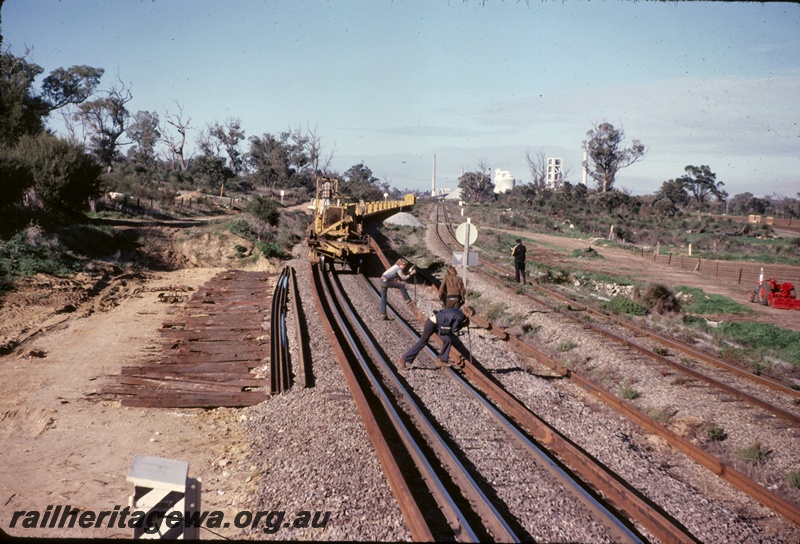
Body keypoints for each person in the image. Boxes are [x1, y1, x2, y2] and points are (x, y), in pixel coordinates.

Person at [398, 305, 475, 370]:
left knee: (447, 340)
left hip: (437, 324)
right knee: (422, 343)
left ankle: (441, 360)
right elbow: (454, 330)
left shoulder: (457, 310)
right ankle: (404, 359)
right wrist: (463, 326)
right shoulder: (460, 316)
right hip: (432, 324)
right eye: (470, 316)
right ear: (468, 313)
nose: (470, 317)